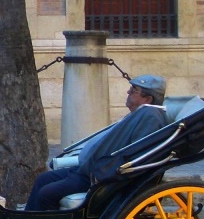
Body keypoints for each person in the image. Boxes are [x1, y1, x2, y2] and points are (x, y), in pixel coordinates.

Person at [24, 74, 169, 211]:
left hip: (102, 176)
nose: (128, 92)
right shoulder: (141, 113)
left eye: (134, 90)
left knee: (47, 193)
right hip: (89, 170)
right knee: (43, 179)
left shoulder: (150, 117)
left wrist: (103, 168)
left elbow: (136, 153)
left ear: (148, 99)